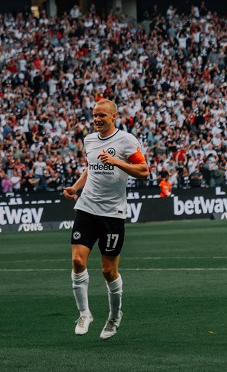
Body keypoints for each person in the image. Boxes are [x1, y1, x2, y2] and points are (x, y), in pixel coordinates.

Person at [63, 99, 148, 340]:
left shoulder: (127, 141)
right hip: (86, 208)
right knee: (78, 261)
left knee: (108, 271)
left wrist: (117, 162)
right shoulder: (89, 140)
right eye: (94, 115)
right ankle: (84, 313)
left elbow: (143, 171)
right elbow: (90, 167)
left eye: (102, 115)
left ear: (114, 116)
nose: (97, 119)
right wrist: (76, 187)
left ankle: (113, 317)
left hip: (112, 214)